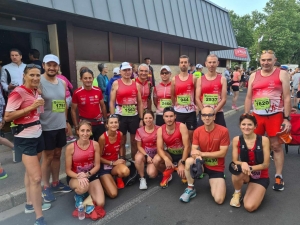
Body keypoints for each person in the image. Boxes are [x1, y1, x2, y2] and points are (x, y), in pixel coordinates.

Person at [5, 64, 50, 225]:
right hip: (25, 137)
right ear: (24, 75)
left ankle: (30, 203)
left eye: (38, 75)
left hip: (37, 133)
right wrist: (31, 107)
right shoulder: (18, 92)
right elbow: (8, 117)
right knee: (37, 178)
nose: (36, 78)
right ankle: (39, 217)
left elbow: (36, 112)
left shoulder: (35, 91)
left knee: (30, 173)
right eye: (32, 75)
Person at [244, 50, 291, 191]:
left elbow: (287, 97)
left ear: (274, 60)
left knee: (276, 146)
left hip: (275, 115)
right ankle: (255, 172)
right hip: (257, 116)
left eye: (269, 60)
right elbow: (248, 97)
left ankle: (278, 175)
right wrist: (246, 115)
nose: (266, 63)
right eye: (263, 60)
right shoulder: (253, 75)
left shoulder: (282, 73)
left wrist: (286, 118)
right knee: (253, 145)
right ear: (260, 61)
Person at [179, 106, 230, 204]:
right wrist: (196, 156)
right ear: (201, 117)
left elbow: (222, 153)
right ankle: (190, 188)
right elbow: (193, 150)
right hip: (201, 164)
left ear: (214, 117)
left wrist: (201, 154)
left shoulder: (224, 131)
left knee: (219, 200)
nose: (207, 118)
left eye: (210, 115)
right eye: (204, 115)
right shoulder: (197, 131)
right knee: (189, 161)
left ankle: (215, 182)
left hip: (216, 167)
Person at [40, 54, 71, 203]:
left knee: (58, 154)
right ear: (44, 65)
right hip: (45, 126)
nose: (52, 68)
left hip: (60, 125)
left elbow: (63, 103)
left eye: (54, 65)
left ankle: (56, 182)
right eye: (49, 65)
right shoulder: (38, 81)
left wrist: (65, 121)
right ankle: (45, 187)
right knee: (48, 157)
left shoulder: (62, 83)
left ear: (58, 67)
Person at [110, 62, 143, 186]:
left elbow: (139, 103)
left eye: (129, 70)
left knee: (134, 141)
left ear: (132, 71)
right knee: (121, 141)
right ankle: (122, 162)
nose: (127, 72)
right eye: (124, 70)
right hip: (121, 116)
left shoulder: (136, 84)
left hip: (133, 116)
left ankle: (135, 164)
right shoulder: (116, 83)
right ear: (120, 72)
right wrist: (113, 118)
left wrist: (140, 118)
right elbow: (112, 102)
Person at [229, 114, 270, 211]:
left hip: (260, 176)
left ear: (255, 126)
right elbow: (235, 160)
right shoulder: (236, 140)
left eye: (250, 125)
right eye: (243, 124)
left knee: (249, 207)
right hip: (245, 173)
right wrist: (243, 164)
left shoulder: (264, 140)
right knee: (236, 171)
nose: (246, 127)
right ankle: (237, 193)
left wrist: (250, 168)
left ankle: (257, 190)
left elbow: (266, 164)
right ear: (240, 125)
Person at [65, 120, 105, 212]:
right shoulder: (70, 147)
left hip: (91, 175)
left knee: (100, 203)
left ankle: (86, 193)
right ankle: (79, 195)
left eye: (88, 131)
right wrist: (79, 176)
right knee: (83, 187)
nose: (85, 133)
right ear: (77, 131)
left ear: (91, 132)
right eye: (82, 130)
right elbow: (68, 170)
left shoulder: (95, 144)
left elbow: (97, 165)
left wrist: (87, 174)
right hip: (75, 177)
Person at [153, 107, 190, 188]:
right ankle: (167, 173)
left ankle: (183, 170)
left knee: (184, 174)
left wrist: (183, 163)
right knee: (156, 160)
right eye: (166, 116)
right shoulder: (160, 129)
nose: (169, 119)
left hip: (182, 155)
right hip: (170, 155)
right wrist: (166, 159)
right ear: (163, 117)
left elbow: (187, 146)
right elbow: (159, 148)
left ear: (175, 116)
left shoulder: (182, 126)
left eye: (171, 116)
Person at [71, 67, 107, 142]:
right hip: (85, 124)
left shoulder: (98, 90)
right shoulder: (77, 92)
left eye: (90, 78)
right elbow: (73, 110)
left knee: (100, 145)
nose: (88, 80)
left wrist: (105, 120)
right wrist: (76, 126)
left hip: (98, 123)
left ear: (93, 78)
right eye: (85, 78)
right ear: (81, 79)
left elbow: (103, 106)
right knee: (86, 146)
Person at [98, 114, 129, 196]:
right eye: (111, 123)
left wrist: (122, 158)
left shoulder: (120, 134)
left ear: (118, 124)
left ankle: (117, 177)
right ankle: (104, 180)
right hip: (104, 167)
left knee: (126, 171)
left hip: (115, 165)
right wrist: (112, 163)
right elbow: (97, 157)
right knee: (113, 194)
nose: (114, 124)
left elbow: (121, 146)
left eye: (116, 122)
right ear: (107, 125)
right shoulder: (102, 138)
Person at [171, 55, 197, 142]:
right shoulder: (174, 79)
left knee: (191, 135)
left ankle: (191, 154)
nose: (183, 64)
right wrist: (176, 106)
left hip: (191, 113)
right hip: (179, 112)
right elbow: (172, 95)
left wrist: (196, 108)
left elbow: (197, 94)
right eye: (181, 62)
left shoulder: (193, 78)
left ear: (188, 64)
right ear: (179, 64)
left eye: (185, 62)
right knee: (179, 135)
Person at [196, 54, 227, 127]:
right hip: (204, 113)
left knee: (222, 134)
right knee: (200, 135)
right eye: (209, 62)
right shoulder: (200, 79)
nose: (211, 65)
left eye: (214, 62)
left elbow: (224, 99)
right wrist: (204, 111)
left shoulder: (222, 79)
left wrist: (214, 112)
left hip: (218, 112)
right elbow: (197, 98)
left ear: (217, 63)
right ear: (206, 64)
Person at [135, 110, 159, 190]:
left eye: (150, 118)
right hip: (144, 154)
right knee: (138, 158)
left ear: (153, 118)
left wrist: (155, 157)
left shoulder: (159, 129)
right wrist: (147, 156)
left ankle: (157, 167)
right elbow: (139, 146)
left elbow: (162, 145)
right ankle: (142, 178)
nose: (148, 120)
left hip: (156, 154)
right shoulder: (139, 130)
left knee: (152, 174)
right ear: (143, 119)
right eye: (146, 118)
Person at [57, 72, 76, 143]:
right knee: (64, 117)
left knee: (64, 118)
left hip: (61, 99)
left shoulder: (57, 79)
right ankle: (69, 135)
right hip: (68, 98)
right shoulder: (63, 77)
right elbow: (71, 86)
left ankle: (70, 136)